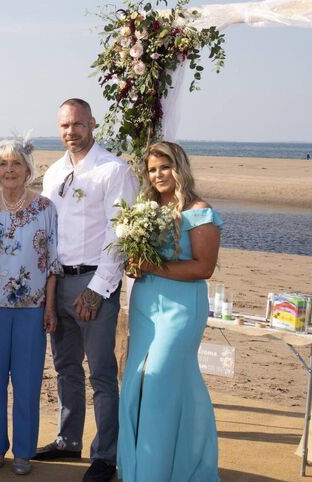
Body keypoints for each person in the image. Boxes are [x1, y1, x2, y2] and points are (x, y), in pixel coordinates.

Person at [33, 98, 138, 482]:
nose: (70, 132)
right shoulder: (54, 172)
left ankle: (106, 455)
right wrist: (48, 287)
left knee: (102, 374)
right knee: (65, 368)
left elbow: (120, 235)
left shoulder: (114, 170)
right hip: (59, 282)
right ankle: (67, 439)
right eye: (64, 126)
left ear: (92, 123)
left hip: (95, 282)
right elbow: (48, 232)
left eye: (77, 124)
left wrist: (97, 289)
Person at [117, 142, 222, 481]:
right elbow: (137, 257)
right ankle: (141, 468)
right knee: (137, 383)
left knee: (159, 379)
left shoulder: (199, 211)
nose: (158, 174)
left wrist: (151, 265)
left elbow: (204, 267)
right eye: (152, 169)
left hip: (181, 309)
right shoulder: (145, 209)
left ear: (179, 168)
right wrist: (133, 263)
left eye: (164, 166)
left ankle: (159, 472)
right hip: (145, 304)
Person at [0, 137, 60, 476]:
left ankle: (24, 452)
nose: (9, 170)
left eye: (16, 164)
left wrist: (50, 306)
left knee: (27, 383)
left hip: (32, 308)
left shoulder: (45, 208)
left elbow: (53, 262)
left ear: (28, 169)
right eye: (3, 164)